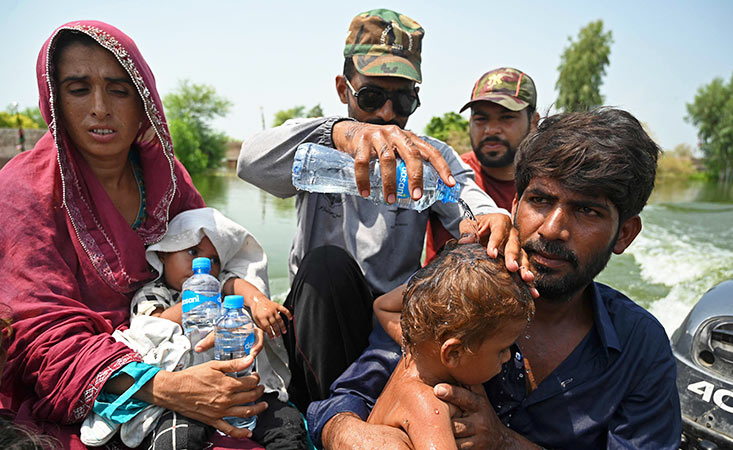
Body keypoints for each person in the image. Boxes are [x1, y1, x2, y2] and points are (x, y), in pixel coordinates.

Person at [308, 107, 682, 450]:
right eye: (540, 201)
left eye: (587, 211)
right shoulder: (457, 294)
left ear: (625, 234)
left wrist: (504, 442)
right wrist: (350, 434)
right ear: (515, 204)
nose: (552, 229)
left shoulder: (640, 347)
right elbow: (341, 402)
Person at [237, 8, 525, 414]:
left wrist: (493, 218)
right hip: (322, 320)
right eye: (372, 97)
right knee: (326, 266)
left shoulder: (428, 155)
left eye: (403, 99)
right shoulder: (318, 142)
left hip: (392, 321)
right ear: (344, 89)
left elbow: (467, 200)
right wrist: (344, 132)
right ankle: (323, 415)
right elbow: (249, 162)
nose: (387, 114)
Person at [0, 21, 266, 449]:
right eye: (78, 88)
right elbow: (39, 339)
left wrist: (244, 316)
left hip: (182, 355)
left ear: (144, 102)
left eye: (119, 90)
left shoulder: (169, 180)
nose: (100, 108)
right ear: (54, 100)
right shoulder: (22, 192)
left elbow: (217, 265)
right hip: (85, 395)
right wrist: (164, 388)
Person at [81, 207, 305, 450]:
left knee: (287, 425)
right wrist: (198, 301)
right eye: (192, 252)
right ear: (164, 255)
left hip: (236, 384)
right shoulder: (154, 294)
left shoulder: (219, 286)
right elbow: (154, 326)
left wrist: (258, 303)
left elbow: (237, 285)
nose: (204, 265)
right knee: (177, 438)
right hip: (187, 395)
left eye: (214, 260)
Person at [369, 243, 533, 449]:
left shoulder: (420, 349)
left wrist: (438, 285)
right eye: (502, 350)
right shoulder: (427, 406)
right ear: (454, 353)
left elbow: (383, 306)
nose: (509, 357)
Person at [425, 67, 540, 264]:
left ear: (533, 122)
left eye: (507, 117)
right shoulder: (446, 174)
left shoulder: (547, 184)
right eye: (480, 118)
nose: (491, 129)